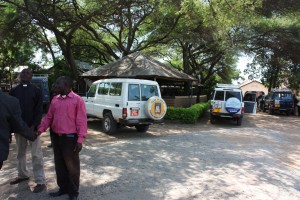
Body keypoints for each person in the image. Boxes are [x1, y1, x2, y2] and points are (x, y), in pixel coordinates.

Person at [38, 76, 87, 200]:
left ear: (66, 85)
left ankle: (73, 192)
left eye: (58, 84)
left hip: (70, 139)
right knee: (59, 165)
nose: (55, 85)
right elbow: (49, 117)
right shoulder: (55, 99)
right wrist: (40, 130)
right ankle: (63, 188)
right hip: (56, 137)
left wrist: (80, 140)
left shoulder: (77, 100)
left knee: (72, 167)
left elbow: (81, 121)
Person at [9, 68, 46, 193]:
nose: (25, 74)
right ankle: (23, 175)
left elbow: (39, 109)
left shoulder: (36, 90)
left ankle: (40, 181)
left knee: (36, 154)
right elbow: (11, 111)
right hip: (19, 128)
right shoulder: (13, 91)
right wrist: (14, 127)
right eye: (23, 73)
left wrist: (35, 125)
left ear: (31, 76)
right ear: (20, 76)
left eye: (28, 73)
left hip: (32, 129)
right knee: (20, 153)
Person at [0, 79, 37, 170]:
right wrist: (33, 135)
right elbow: (18, 124)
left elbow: (39, 109)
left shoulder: (36, 90)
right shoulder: (9, 100)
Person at [47, 83, 58, 148]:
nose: (52, 88)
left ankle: (56, 143)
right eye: (52, 87)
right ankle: (53, 143)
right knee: (51, 130)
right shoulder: (51, 94)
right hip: (52, 116)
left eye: (54, 87)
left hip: (57, 116)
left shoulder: (58, 95)